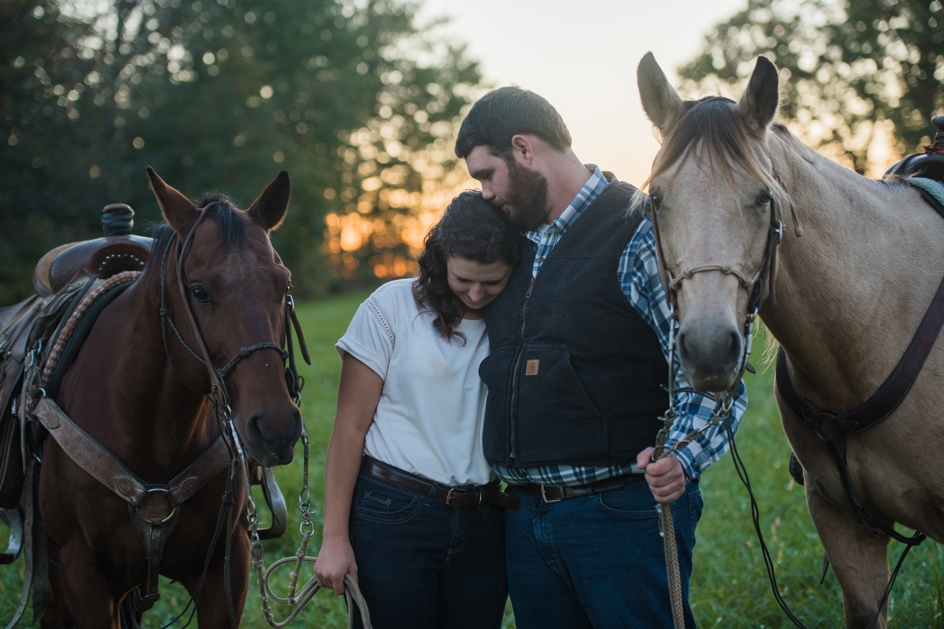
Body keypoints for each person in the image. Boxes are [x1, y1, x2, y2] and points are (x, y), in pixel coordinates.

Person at [454, 87, 748, 629]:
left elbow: (710, 374)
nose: (485, 193)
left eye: (485, 174)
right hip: (524, 517)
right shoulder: (511, 244)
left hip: (621, 514)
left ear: (523, 149)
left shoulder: (637, 231)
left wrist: (681, 455)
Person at [314, 190, 521, 629]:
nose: (477, 292)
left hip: (485, 518)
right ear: (441, 256)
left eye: (493, 282)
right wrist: (334, 538)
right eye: (464, 279)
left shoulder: (518, 320)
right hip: (393, 514)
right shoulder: (391, 306)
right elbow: (349, 428)